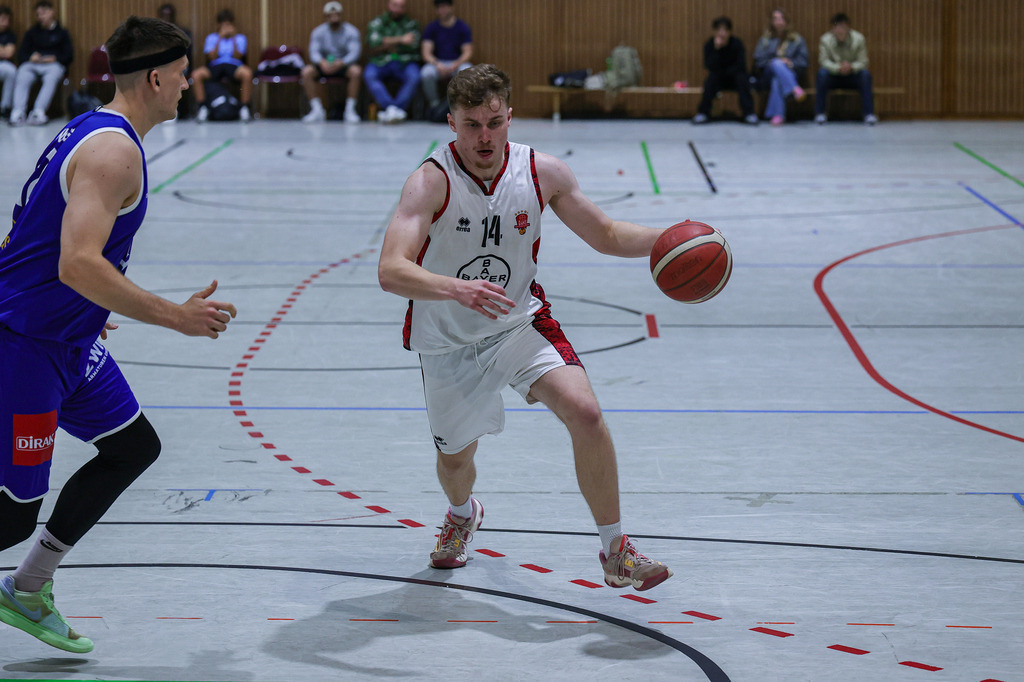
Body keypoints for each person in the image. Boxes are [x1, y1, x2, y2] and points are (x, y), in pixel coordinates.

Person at [378, 64, 674, 592]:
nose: (484, 136)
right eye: (472, 125)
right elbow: (391, 270)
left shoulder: (542, 172)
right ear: (451, 123)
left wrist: (673, 238)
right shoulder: (430, 181)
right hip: (447, 340)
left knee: (585, 413)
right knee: (455, 462)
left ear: (510, 116)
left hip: (519, 324)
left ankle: (616, 550)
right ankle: (463, 515)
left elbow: (605, 234)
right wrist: (453, 287)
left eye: (494, 122)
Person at [0, 16, 237, 653]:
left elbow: (26, 238)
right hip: (26, 344)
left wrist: (87, 306)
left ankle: (28, 588)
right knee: (11, 514)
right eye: (184, 76)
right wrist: (176, 317)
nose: (189, 87)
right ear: (157, 76)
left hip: (69, 341)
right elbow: (75, 261)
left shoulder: (93, 131)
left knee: (133, 448)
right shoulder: (114, 149)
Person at [8, 0, 72, 126]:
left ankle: (38, 112)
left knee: (52, 75)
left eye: (43, 13)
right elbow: (21, 55)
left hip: (53, 65)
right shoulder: (32, 33)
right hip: (33, 65)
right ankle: (18, 112)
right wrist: (31, 57)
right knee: (22, 72)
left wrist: (55, 58)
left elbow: (69, 56)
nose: (40, 17)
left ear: (52, 12)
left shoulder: (62, 33)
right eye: (38, 14)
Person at [301, 1, 361, 124]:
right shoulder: (318, 32)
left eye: (337, 14)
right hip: (324, 65)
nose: (334, 18)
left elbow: (354, 53)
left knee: (356, 72)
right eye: (331, 15)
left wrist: (341, 62)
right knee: (306, 72)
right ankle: (317, 110)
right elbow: (314, 53)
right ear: (326, 16)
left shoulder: (351, 31)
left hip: (343, 64)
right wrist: (322, 62)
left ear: (341, 15)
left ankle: (350, 110)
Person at [692, 16, 756, 125]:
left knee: (743, 79)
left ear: (730, 32)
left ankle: (749, 113)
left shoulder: (737, 44)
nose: (722, 33)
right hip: (719, 78)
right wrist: (717, 50)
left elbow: (741, 65)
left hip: (734, 77)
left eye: (725, 30)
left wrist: (726, 71)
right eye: (719, 30)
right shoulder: (710, 45)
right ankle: (703, 113)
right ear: (714, 31)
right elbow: (709, 66)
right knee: (710, 80)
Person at [815, 13, 876, 125]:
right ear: (832, 29)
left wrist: (851, 67)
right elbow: (823, 61)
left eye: (842, 26)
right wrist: (838, 68)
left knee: (865, 75)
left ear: (848, 27)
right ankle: (820, 113)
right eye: (836, 26)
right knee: (821, 74)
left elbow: (863, 61)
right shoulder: (825, 40)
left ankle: (869, 114)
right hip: (834, 75)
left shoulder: (859, 39)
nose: (839, 30)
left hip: (852, 75)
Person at [191, 8, 252, 122]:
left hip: (233, 65)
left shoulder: (240, 38)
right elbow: (212, 57)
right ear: (219, 25)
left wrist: (233, 38)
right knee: (196, 75)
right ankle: (202, 107)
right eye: (223, 24)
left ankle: (244, 108)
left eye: (228, 24)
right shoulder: (212, 38)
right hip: (216, 65)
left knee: (247, 74)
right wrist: (220, 37)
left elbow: (238, 56)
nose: (226, 27)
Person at [364, 0, 420, 123]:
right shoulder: (377, 22)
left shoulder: (411, 24)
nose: (397, 9)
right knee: (370, 75)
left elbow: (413, 45)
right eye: (394, 5)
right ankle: (390, 107)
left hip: (404, 61)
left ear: (404, 9)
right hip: (380, 61)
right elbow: (373, 44)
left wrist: (386, 42)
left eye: (401, 7)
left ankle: (396, 109)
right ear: (389, 5)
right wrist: (400, 40)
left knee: (414, 76)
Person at [752, 7, 808, 126]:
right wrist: (775, 62)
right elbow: (758, 59)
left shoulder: (797, 40)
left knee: (777, 81)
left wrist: (790, 63)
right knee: (777, 63)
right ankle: (794, 89)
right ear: (772, 22)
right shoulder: (765, 40)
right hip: (767, 74)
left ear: (787, 21)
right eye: (776, 19)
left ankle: (778, 115)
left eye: (781, 19)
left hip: (790, 74)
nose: (779, 22)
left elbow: (803, 61)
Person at [419, 0, 472, 118]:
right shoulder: (432, 28)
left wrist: (456, 63)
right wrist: (437, 64)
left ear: (451, 7)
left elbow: (467, 52)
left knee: (467, 72)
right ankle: (435, 106)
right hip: (437, 63)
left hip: (456, 63)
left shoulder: (462, 27)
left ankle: (460, 106)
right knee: (426, 73)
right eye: (439, 7)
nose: (442, 10)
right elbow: (426, 53)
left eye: (444, 7)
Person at [157, 2, 193, 120]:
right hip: (160, 65)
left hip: (179, 65)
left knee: (171, 75)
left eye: (168, 16)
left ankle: (172, 110)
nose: (166, 18)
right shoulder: (154, 35)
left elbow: (185, 55)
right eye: (163, 15)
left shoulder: (182, 33)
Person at [0, 5, 15, 120]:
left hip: (2, 64)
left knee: (11, 70)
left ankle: (5, 107)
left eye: (8, 20)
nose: (6, 23)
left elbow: (8, 53)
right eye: (3, 19)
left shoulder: (10, 35)